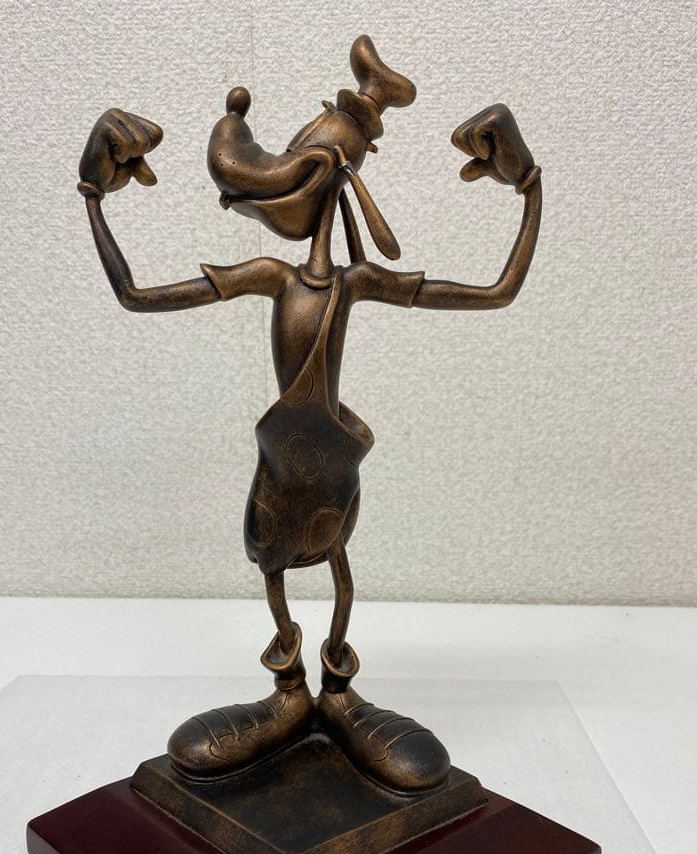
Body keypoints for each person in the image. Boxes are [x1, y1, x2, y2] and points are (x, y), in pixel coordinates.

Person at [77, 35, 542, 794]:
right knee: (275, 566)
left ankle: (336, 693)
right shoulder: (270, 274)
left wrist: (529, 185)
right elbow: (135, 296)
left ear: (327, 180)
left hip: (330, 470)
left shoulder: (357, 281)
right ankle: (291, 690)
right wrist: (92, 196)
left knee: (337, 569)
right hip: (283, 468)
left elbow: (496, 293)